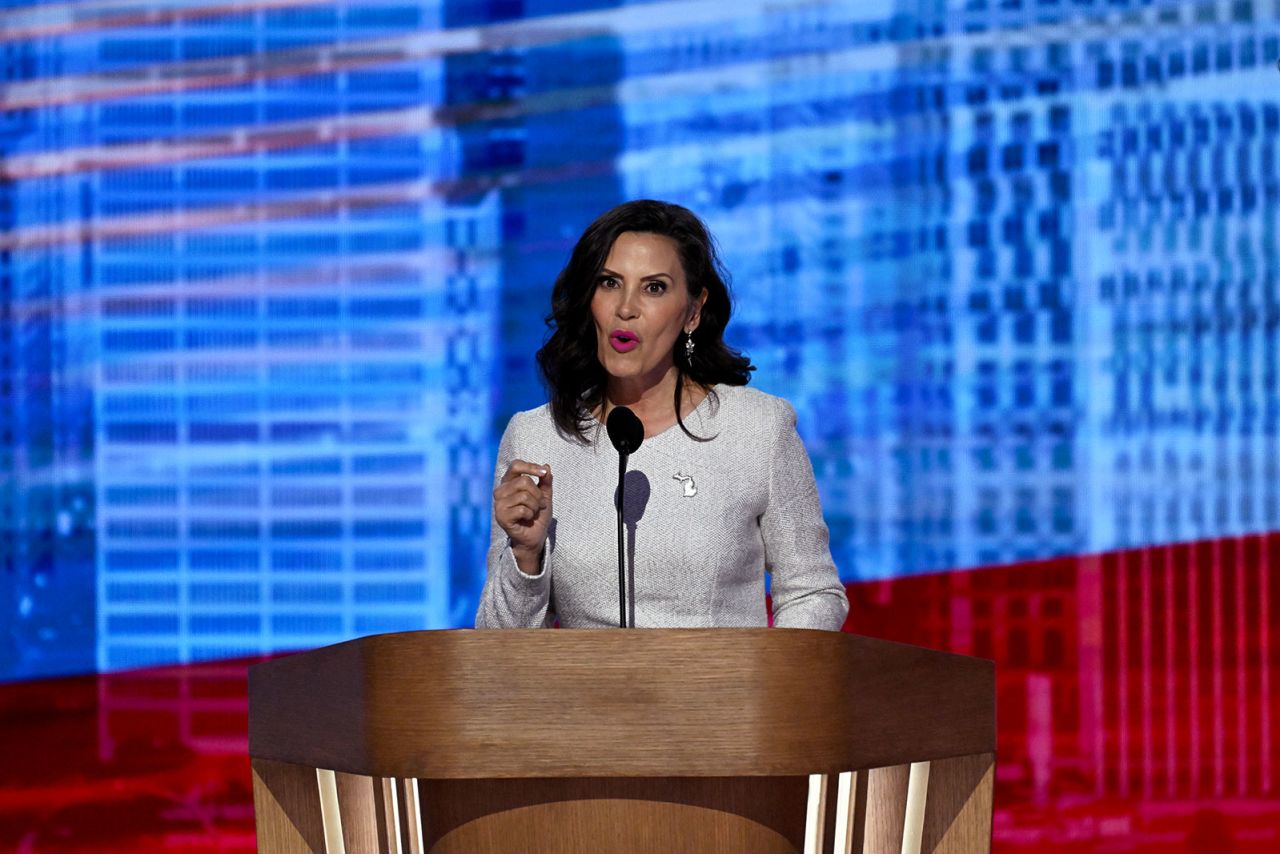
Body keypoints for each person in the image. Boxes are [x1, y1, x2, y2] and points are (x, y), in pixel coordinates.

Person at [475, 200, 849, 630]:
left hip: (723, 695)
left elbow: (812, 591)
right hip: (587, 697)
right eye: (609, 282)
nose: (626, 308)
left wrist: (767, 690)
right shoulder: (537, 439)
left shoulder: (758, 429)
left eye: (654, 288)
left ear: (693, 310)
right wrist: (525, 557)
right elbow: (498, 648)